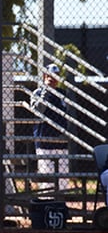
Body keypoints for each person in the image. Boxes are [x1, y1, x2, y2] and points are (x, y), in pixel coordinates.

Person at [30, 63, 68, 191]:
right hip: (44, 142)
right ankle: (46, 204)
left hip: (60, 142)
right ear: (44, 76)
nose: (53, 79)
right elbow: (38, 111)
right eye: (50, 75)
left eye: (56, 76)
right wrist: (46, 91)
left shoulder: (62, 94)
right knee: (47, 180)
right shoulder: (38, 92)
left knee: (62, 180)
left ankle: (59, 205)